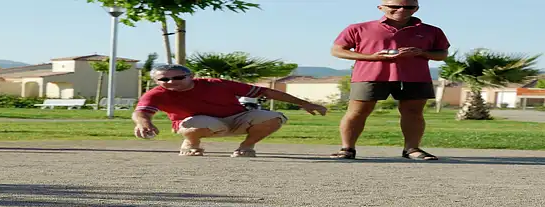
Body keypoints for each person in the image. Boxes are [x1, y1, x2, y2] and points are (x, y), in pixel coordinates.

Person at [330, 0, 450, 160]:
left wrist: (421, 52)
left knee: (414, 113)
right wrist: (371, 57)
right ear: (381, 7)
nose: (402, 9)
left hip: (415, 77)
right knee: (357, 112)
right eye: (395, 6)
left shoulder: (431, 31)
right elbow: (337, 51)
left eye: (409, 7)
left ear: (416, 9)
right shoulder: (359, 28)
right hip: (369, 76)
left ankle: (412, 149)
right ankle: (347, 148)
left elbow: (442, 54)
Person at [133, 64, 327, 157]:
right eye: (164, 79)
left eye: (177, 77)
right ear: (157, 81)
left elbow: (265, 91)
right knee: (196, 122)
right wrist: (144, 123)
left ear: (190, 76)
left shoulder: (216, 84)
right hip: (199, 123)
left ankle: (246, 147)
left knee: (274, 117)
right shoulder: (156, 93)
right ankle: (192, 144)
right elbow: (141, 111)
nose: (171, 82)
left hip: (236, 118)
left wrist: (305, 103)